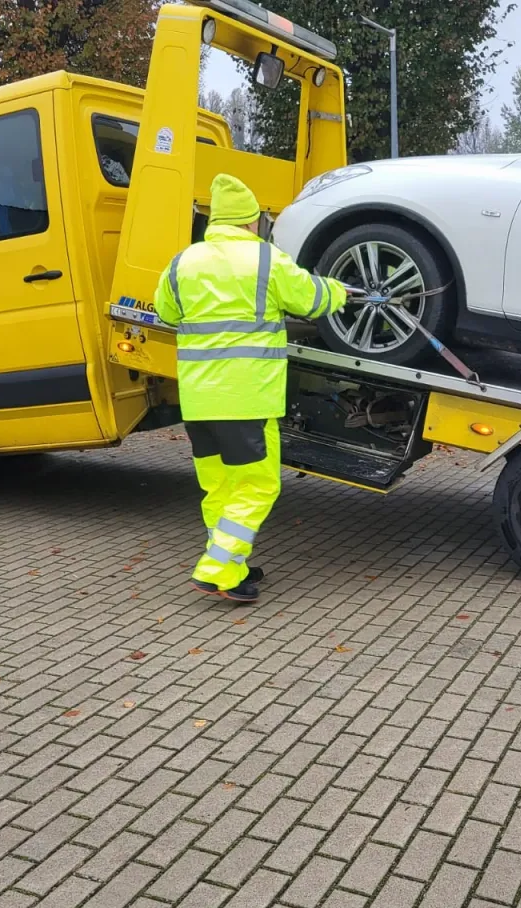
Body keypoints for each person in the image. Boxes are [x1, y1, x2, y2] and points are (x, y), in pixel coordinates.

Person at [154, 174, 349, 603]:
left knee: (220, 487)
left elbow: (166, 311)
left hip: (199, 400)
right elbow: (311, 300)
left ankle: (232, 564)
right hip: (248, 399)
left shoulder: (183, 262)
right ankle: (218, 568)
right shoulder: (265, 260)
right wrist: (340, 292)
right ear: (251, 222)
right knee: (259, 485)